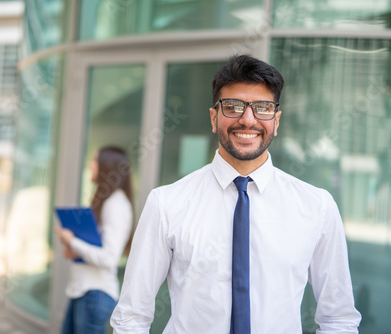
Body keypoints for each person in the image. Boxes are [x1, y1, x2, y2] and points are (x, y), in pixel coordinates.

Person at [110, 55, 361, 333]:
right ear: (214, 117)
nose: (248, 119)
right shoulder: (167, 203)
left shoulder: (317, 206)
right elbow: (131, 316)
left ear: (276, 121)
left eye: (263, 108)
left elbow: (339, 318)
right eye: (233, 106)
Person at [56, 146, 134, 334]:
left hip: (94, 294)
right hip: (83, 291)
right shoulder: (106, 202)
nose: (90, 165)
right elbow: (97, 248)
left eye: (95, 161)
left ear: (106, 168)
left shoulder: (116, 205)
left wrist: (72, 241)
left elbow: (108, 258)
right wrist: (75, 251)